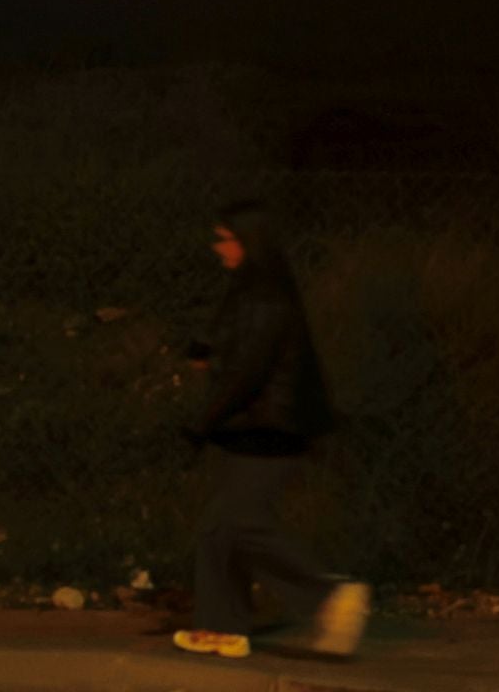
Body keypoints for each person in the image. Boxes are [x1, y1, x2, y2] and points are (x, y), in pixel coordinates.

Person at [175, 200, 369, 661]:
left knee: (241, 524)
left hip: (268, 430)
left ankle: (329, 597)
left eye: (225, 238)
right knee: (217, 529)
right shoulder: (253, 291)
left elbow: (248, 372)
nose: (217, 246)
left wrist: (204, 423)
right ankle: (221, 628)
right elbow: (234, 349)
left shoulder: (263, 298)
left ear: (248, 241)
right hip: (257, 427)